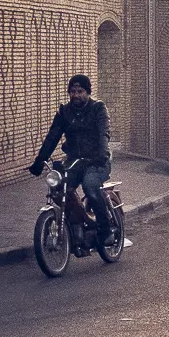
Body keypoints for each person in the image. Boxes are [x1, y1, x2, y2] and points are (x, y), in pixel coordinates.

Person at [30, 74, 115, 240]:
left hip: (96, 161)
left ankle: (105, 230)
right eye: (73, 91)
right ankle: (77, 223)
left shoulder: (98, 108)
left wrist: (102, 154)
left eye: (80, 91)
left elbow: (103, 133)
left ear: (88, 92)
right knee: (58, 189)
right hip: (74, 161)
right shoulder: (64, 112)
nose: (76, 95)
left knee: (90, 186)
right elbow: (52, 137)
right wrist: (40, 160)